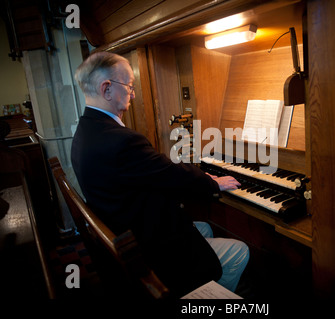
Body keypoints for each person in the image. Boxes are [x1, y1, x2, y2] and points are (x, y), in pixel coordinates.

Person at [71, 51, 249, 297]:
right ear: (107, 89)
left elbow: (154, 171)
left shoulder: (85, 131)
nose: (133, 94)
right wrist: (212, 181)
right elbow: (169, 173)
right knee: (240, 250)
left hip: (123, 231)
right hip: (147, 249)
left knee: (204, 229)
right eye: (130, 86)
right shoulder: (119, 140)